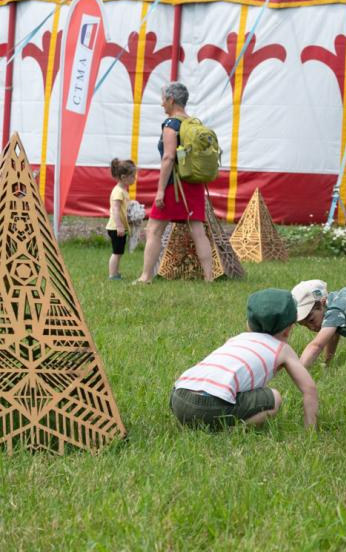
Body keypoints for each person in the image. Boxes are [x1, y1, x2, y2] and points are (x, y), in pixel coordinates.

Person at [170, 288, 318, 430]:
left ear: (249, 324)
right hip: (212, 406)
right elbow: (309, 389)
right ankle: (230, 430)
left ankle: (192, 422)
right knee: (274, 398)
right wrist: (310, 430)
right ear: (288, 329)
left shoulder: (235, 339)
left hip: (179, 398)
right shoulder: (283, 349)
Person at [136, 82, 213, 283]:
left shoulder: (171, 124)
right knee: (198, 231)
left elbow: (169, 157)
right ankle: (209, 277)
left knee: (154, 229)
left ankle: (146, 276)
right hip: (194, 183)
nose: (162, 104)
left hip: (174, 186)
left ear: (171, 100)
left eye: (163, 99)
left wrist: (160, 191)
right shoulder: (194, 123)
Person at [105, 158, 137, 280]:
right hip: (116, 228)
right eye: (132, 176)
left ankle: (115, 273)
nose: (134, 178)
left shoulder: (123, 191)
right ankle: (113, 275)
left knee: (119, 252)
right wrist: (119, 226)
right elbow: (115, 209)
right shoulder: (118, 192)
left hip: (118, 227)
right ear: (123, 177)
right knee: (117, 252)